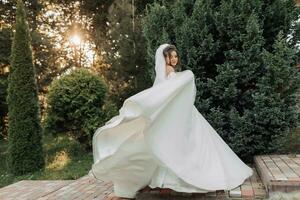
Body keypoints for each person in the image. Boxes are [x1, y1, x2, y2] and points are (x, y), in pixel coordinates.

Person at [88, 43, 253, 200]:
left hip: (179, 110)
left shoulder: (164, 73)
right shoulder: (169, 71)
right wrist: (188, 76)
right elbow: (169, 90)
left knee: (172, 142)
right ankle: (199, 174)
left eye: (176, 56)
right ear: (164, 58)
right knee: (189, 143)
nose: (174, 59)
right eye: (171, 56)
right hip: (178, 111)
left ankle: (166, 179)